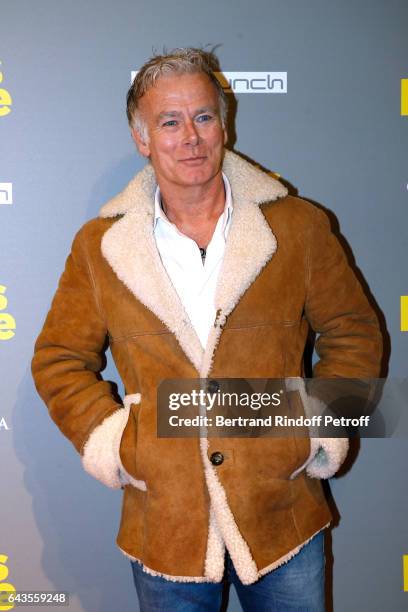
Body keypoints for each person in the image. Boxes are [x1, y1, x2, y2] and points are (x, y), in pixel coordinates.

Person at [32, 47, 383, 611]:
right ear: (142, 139)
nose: (190, 137)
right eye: (169, 122)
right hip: (166, 525)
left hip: (283, 516)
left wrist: (319, 428)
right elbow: (57, 358)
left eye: (202, 117)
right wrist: (121, 444)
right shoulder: (100, 247)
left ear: (224, 124)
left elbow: (355, 333)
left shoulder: (298, 227)